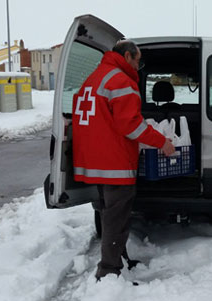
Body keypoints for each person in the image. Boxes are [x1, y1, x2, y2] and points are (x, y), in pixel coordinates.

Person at [72, 40, 175, 281]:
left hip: (95, 162)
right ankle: (109, 271)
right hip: (115, 163)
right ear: (127, 56)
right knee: (116, 219)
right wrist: (163, 142)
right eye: (138, 61)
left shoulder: (95, 77)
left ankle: (119, 260)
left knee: (110, 216)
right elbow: (131, 125)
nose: (138, 66)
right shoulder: (121, 81)